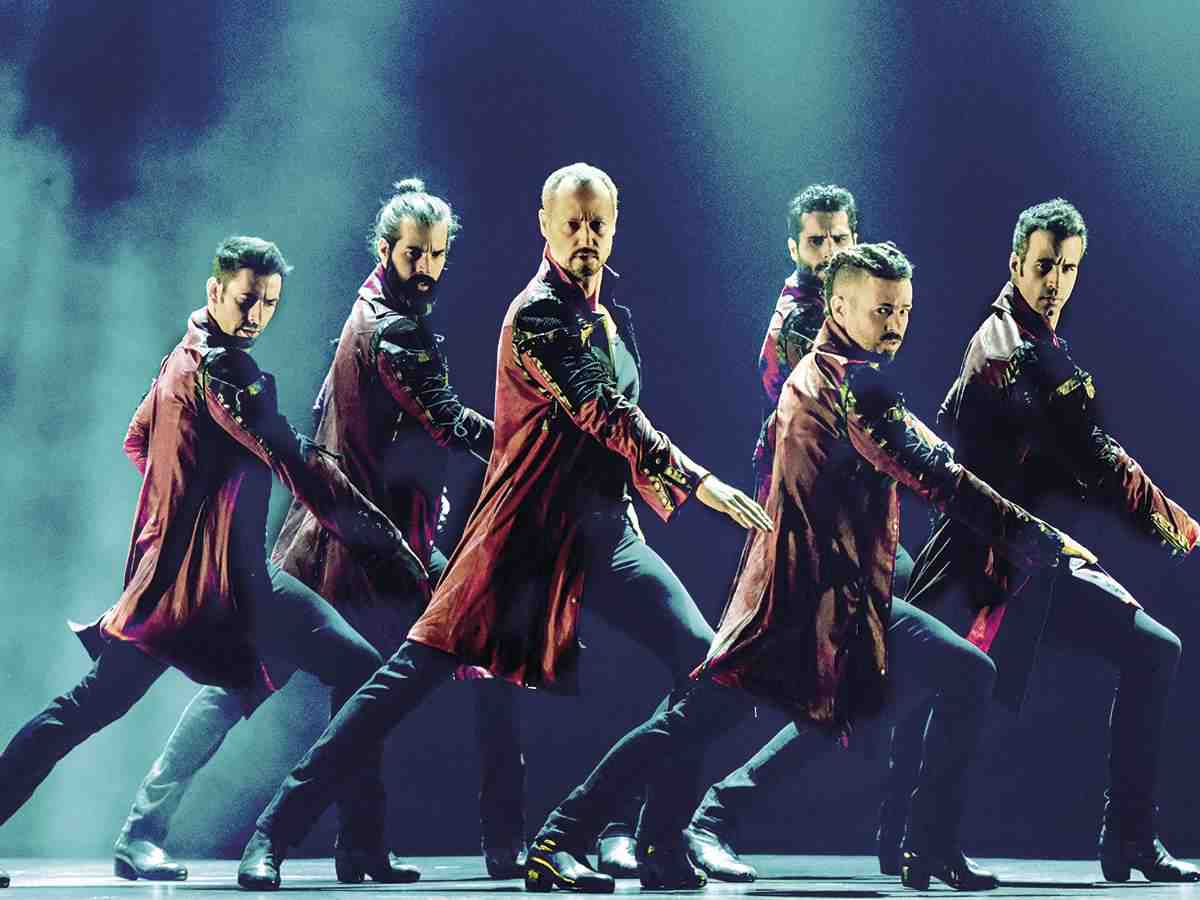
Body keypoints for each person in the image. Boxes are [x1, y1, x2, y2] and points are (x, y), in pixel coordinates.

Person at [235, 162, 772, 891]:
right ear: (545, 226)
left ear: (615, 228)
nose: (586, 237)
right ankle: (273, 830)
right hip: (520, 539)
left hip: (604, 533)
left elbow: (616, 417)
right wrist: (697, 481)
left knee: (708, 667)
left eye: (598, 224)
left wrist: (638, 495)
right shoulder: (536, 315)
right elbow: (604, 411)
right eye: (572, 223)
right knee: (400, 685)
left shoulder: (612, 314)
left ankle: (646, 839)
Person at [526, 242, 1094, 893]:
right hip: (798, 605)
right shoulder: (853, 387)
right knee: (691, 723)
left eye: (904, 310)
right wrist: (1041, 538)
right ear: (840, 307)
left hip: (833, 596)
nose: (897, 324)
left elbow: (918, 447)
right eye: (882, 310)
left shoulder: (830, 371)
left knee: (963, 674)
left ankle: (926, 847)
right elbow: (937, 478)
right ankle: (560, 837)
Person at [107, 182, 522, 883]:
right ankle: (154, 829)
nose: (426, 267)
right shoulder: (393, 329)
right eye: (414, 254)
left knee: (410, 669)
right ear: (385, 250)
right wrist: (532, 445)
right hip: (348, 541)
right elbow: (448, 420)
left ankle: (368, 843)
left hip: (369, 536)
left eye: (436, 255)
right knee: (253, 683)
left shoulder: (379, 313)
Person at [0, 236, 427, 889]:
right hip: (206, 588)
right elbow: (298, 464)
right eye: (247, 300)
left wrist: (196, 502)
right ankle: (348, 846)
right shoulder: (225, 370)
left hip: (220, 579)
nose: (256, 315)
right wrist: (385, 540)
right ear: (215, 291)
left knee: (352, 670)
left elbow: (138, 441)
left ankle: (359, 846)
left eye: (270, 303)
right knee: (87, 709)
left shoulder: (181, 357)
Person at [883, 198, 1200, 883]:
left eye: (1068, 268)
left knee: (1153, 650)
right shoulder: (1007, 349)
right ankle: (915, 841)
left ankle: (1128, 838)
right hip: (983, 554)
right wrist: (1175, 522)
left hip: (1033, 555)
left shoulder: (1038, 343)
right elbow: (1094, 454)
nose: (1055, 281)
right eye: (1044, 266)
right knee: (905, 693)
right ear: (1016, 264)